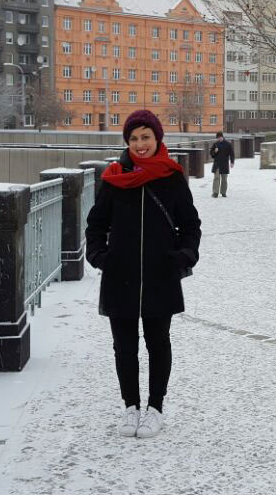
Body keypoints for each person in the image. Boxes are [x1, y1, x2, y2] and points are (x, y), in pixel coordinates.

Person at [85, 109, 201, 440]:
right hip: (119, 276)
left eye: (145, 137)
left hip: (159, 275)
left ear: (157, 138)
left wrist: (183, 257)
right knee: (124, 347)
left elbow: (190, 225)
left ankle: (156, 408)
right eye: (134, 138)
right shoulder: (114, 177)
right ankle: (131, 407)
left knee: (158, 343)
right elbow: (96, 224)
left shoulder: (171, 177)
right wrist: (100, 256)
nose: (140, 144)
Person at [208, 132, 235, 197]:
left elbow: (232, 154)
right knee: (216, 178)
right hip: (217, 164)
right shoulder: (215, 144)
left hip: (224, 164)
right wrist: (215, 151)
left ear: (222, 137)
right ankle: (215, 192)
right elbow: (211, 153)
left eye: (220, 137)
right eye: (217, 138)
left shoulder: (228, 144)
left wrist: (232, 162)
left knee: (224, 179)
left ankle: (223, 192)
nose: (219, 139)